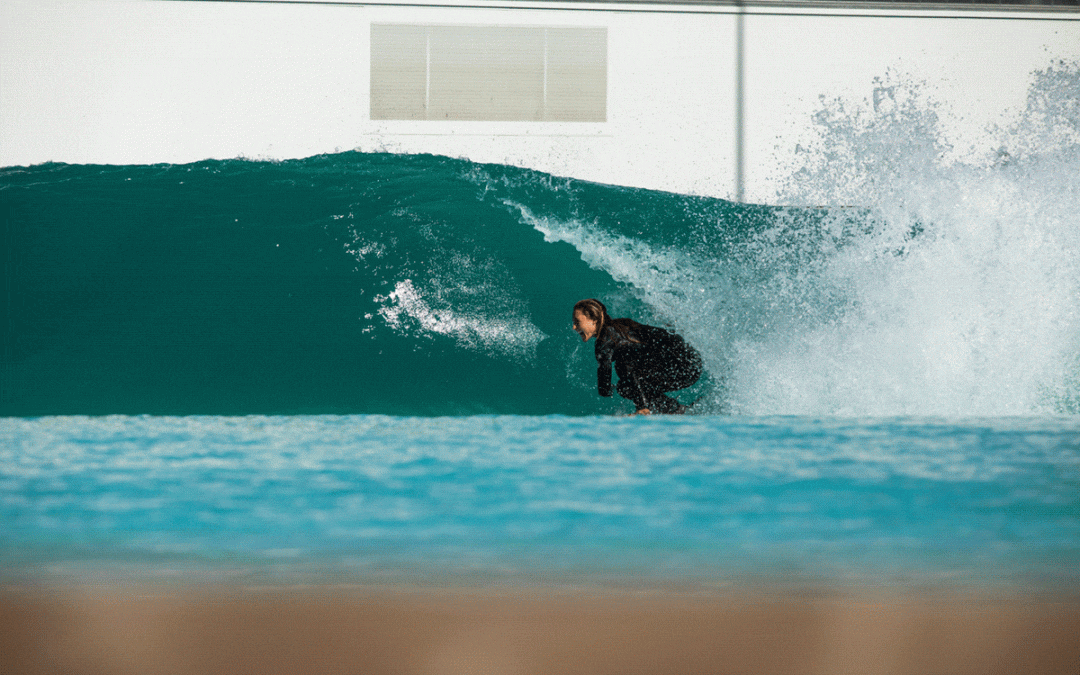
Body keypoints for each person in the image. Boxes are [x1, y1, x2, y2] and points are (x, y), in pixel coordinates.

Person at [572, 299, 703, 415]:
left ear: (594, 320)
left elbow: (626, 368)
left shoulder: (606, 341)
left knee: (626, 382)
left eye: (577, 322)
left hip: (682, 365)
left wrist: (641, 407)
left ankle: (655, 410)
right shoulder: (621, 326)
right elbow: (605, 372)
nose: (574, 327)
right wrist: (605, 388)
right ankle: (680, 410)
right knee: (626, 383)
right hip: (691, 360)